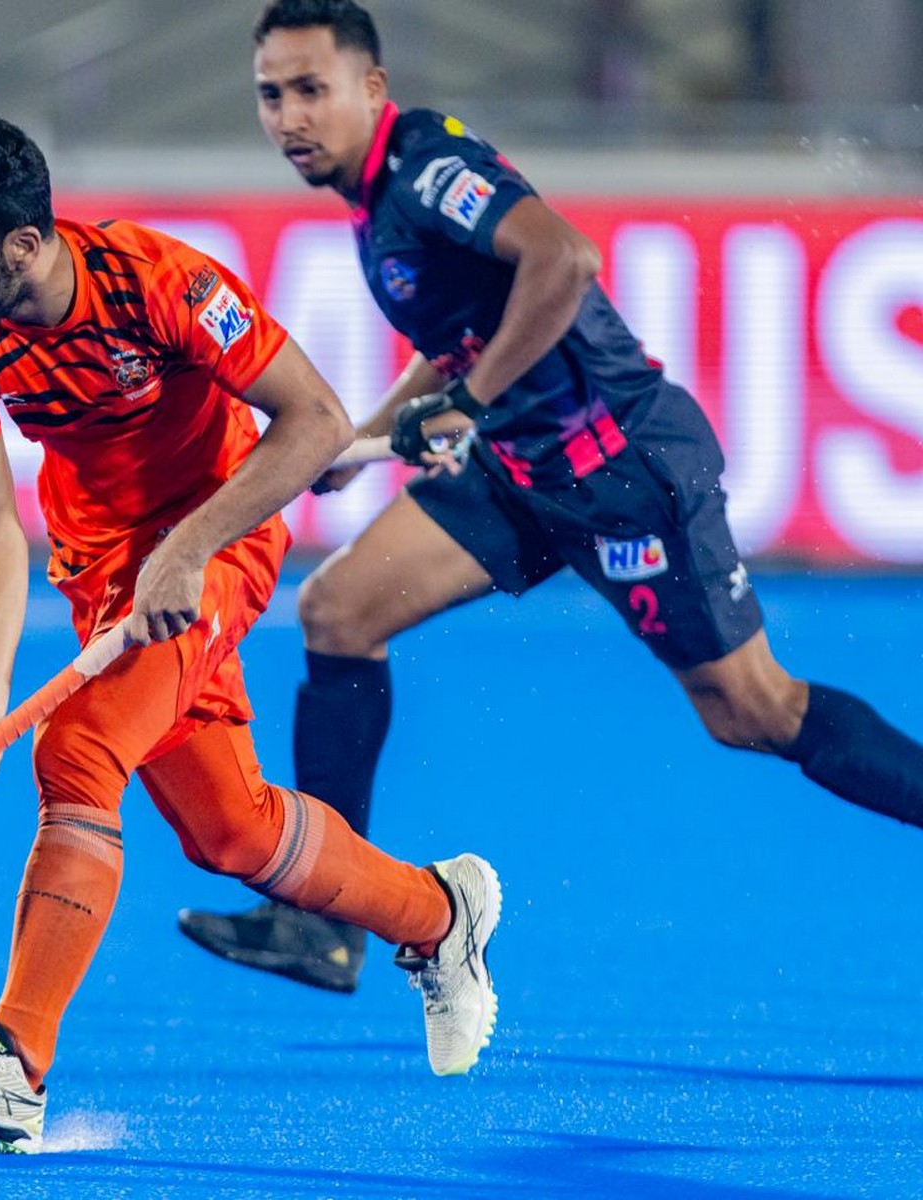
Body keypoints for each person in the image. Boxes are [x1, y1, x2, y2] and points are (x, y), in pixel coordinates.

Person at [177, 0, 923, 995]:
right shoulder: (372, 199)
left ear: (370, 91)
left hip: (621, 468)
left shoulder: (425, 170)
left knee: (750, 712)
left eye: (311, 91)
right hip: (522, 469)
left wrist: (466, 408)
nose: (288, 117)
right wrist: (369, 437)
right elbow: (460, 338)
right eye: (271, 95)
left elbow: (563, 260)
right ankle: (323, 921)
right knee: (339, 610)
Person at [0, 108, 502, 1154]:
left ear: (21, 244)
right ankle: (438, 918)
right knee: (231, 831)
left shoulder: (158, 283)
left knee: (77, 752)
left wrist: (190, 548)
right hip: (100, 569)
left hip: (218, 540)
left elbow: (309, 420)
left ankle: (12, 1066)